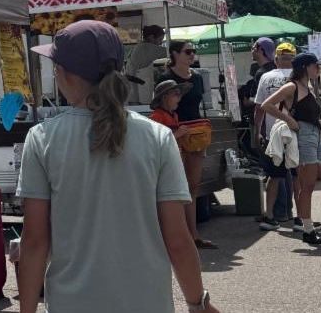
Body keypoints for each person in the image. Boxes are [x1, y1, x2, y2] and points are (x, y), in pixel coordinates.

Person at [16, 21, 218, 313]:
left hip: (72, 304)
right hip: (148, 302)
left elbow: (34, 242)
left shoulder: (43, 138)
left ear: (65, 74)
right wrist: (197, 304)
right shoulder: (157, 137)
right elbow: (178, 239)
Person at [261, 53, 321, 245]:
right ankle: (307, 229)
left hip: (315, 135)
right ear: (305, 66)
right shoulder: (292, 86)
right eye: (316, 66)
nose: (319, 69)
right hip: (303, 135)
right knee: (308, 185)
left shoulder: (309, 87)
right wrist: (289, 120)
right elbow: (267, 105)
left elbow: (316, 119)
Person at [157, 40, 215, 249]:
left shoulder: (197, 77)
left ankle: (193, 234)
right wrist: (173, 132)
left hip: (196, 132)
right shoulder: (166, 78)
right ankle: (179, 234)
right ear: (174, 54)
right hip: (174, 132)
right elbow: (162, 109)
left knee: (192, 185)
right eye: (187, 51)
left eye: (193, 51)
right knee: (175, 185)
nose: (192, 55)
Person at [252, 42, 297, 230]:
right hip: (296, 133)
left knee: (274, 175)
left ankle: (270, 215)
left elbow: (259, 108)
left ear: (276, 59)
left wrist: (257, 131)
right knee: (297, 176)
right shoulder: (299, 78)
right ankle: (300, 216)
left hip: (274, 133)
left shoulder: (266, 77)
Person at [124, 24, 167, 104]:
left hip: (133, 90)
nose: (161, 43)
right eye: (160, 39)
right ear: (151, 37)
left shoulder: (139, 47)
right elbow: (170, 51)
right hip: (138, 93)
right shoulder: (146, 48)